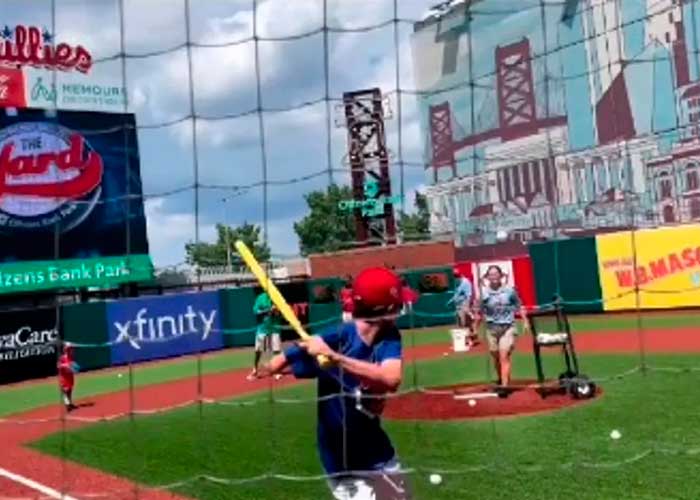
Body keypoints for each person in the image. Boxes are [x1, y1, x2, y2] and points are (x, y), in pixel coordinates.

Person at [257, 267, 412, 500]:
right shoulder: (336, 335)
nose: (401, 309)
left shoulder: (389, 337)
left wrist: (335, 359)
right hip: (342, 461)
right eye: (399, 304)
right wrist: (296, 351)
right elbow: (272, 367)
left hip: (379, 453)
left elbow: (391, 378)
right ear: (389, 309)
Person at [474, 265, 528, 389]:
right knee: (496, 355)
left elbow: (519, 305)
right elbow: (478, 312)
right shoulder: (484, 294)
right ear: (487, 277)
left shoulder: (509, 291)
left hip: (507, 327)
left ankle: (504, 386)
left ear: (501, 275)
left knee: (504, 355)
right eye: (491, 274)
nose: (494, 277)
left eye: (496, 274)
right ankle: (502, 378)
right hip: (491, 328)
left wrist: (525, 321)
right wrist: (475, 329)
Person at [248, 291, 283, 381]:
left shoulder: (276, 296)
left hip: (274, 327)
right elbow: (255, 311)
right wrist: (267, 310)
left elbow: (280, 313)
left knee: (276, 350)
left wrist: (276, 310)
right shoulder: (260, 298)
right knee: (258, 351)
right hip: (262, 328)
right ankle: (255, 369)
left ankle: (276, 371)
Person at [448, 270, 477, 347]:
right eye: (454, 276)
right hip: (458, 306)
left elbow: (469, 295)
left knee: (465, 324)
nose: (455, 278)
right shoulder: (458, 282)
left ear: (460, 275)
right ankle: (467, 340)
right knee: (460, 324)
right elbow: (457, 294)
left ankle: (470, 340)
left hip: (464, 305)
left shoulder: (465, 282)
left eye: (456, 276)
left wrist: (467, 306)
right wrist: (451, 300)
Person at [57, 343, 79, 412]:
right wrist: (65, 365)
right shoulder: (62, 357)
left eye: (71, 349)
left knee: (69, 391)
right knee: (64, 392)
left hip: (70, 376)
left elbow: (73, 366)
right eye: (70, 349)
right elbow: (58, 366)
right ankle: (67, 405)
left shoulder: (72, 357)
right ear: (66, 350)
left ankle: (70, 403)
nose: (72, 350)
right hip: (64, 377)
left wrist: (74, 369)